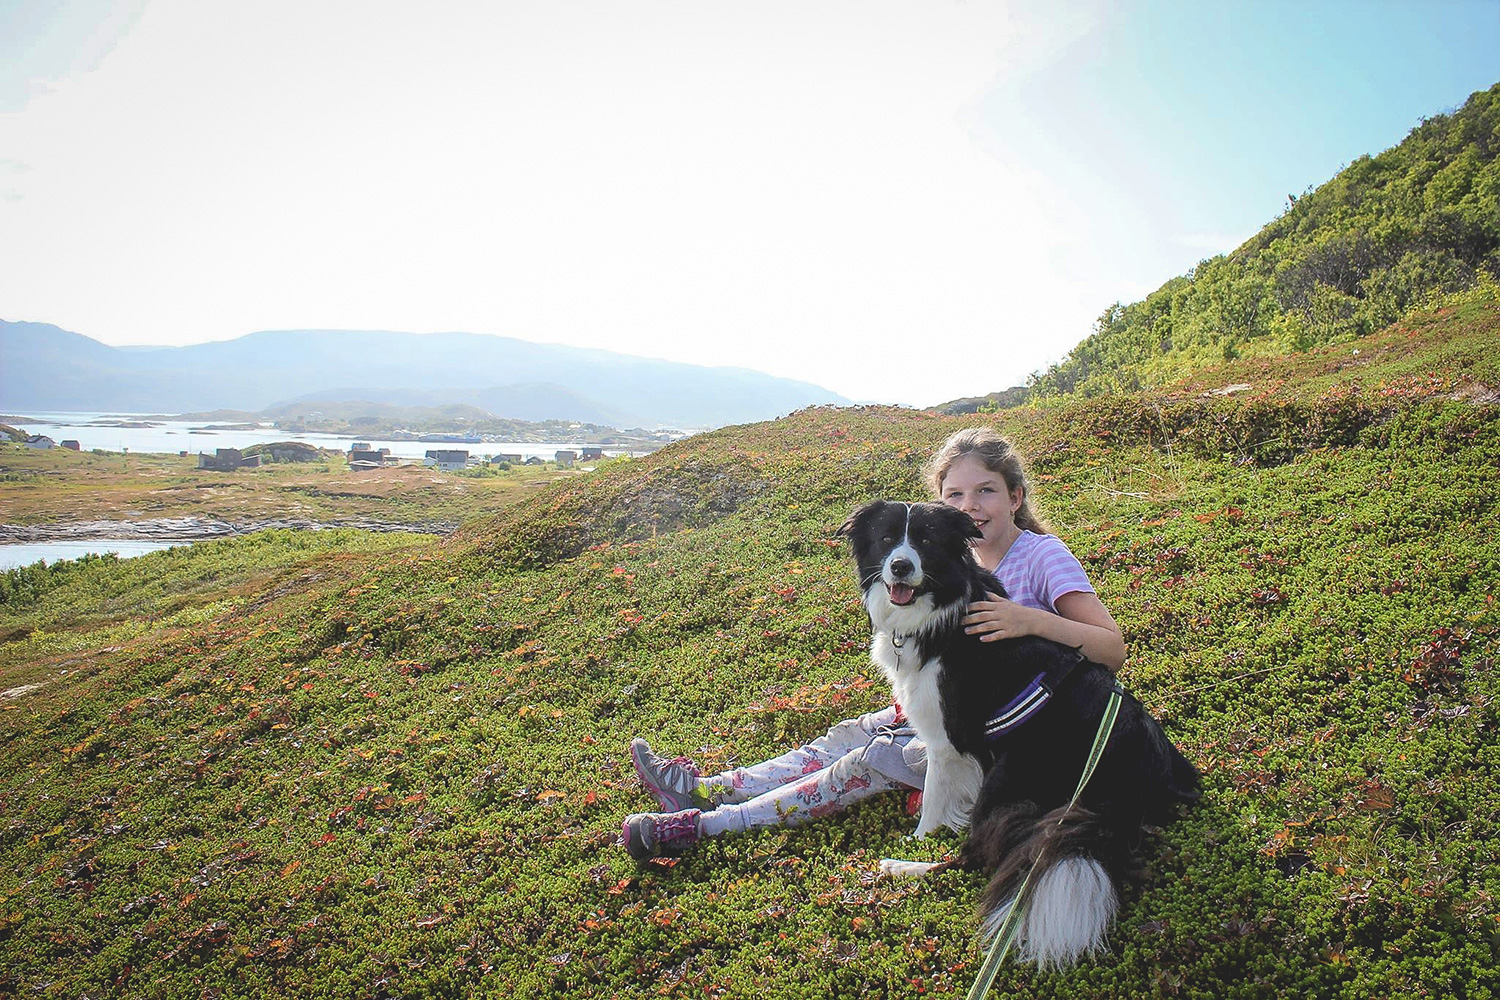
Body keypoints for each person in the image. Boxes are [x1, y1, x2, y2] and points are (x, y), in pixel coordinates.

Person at [621, 427, 1124, 860]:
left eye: (986, 491)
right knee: (848, 732)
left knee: (861, 762)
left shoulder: (1041, 556)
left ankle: (711, 825)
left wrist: (1026, 620)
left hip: (1004, 726)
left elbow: (1110, 648)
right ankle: (707, 791)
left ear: (1015, 498)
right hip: (947, 703)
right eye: (955, 495)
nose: (971, 506)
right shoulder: (948, 561)